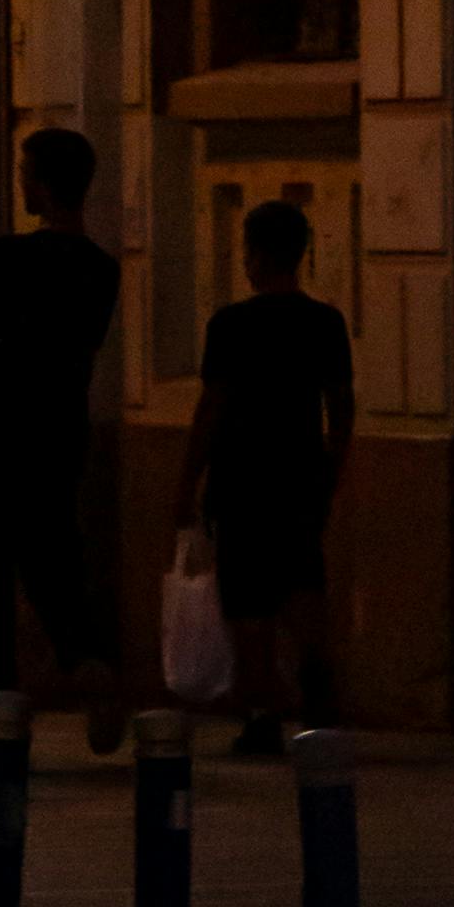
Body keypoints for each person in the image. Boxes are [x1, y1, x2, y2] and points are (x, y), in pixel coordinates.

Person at [0, 125, 126, 749]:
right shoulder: (101, 271)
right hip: (56, 435)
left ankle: (2, 722)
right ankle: (92, 667)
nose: (20, 178)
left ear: (40, 182)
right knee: (54, 566)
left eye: (25, 168)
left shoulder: (6, 256)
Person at [172, 197, 354, 754]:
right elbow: (341, 407)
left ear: (252, 254)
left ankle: (261, 716)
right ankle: (320, 697)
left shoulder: (230, 325)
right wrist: (329, 471)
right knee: (303, 587)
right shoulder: (324, 323)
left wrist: (187, 483)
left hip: (242, 479)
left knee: (249, 606)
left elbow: (212, 409)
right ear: (301, 254)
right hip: (299, 475)